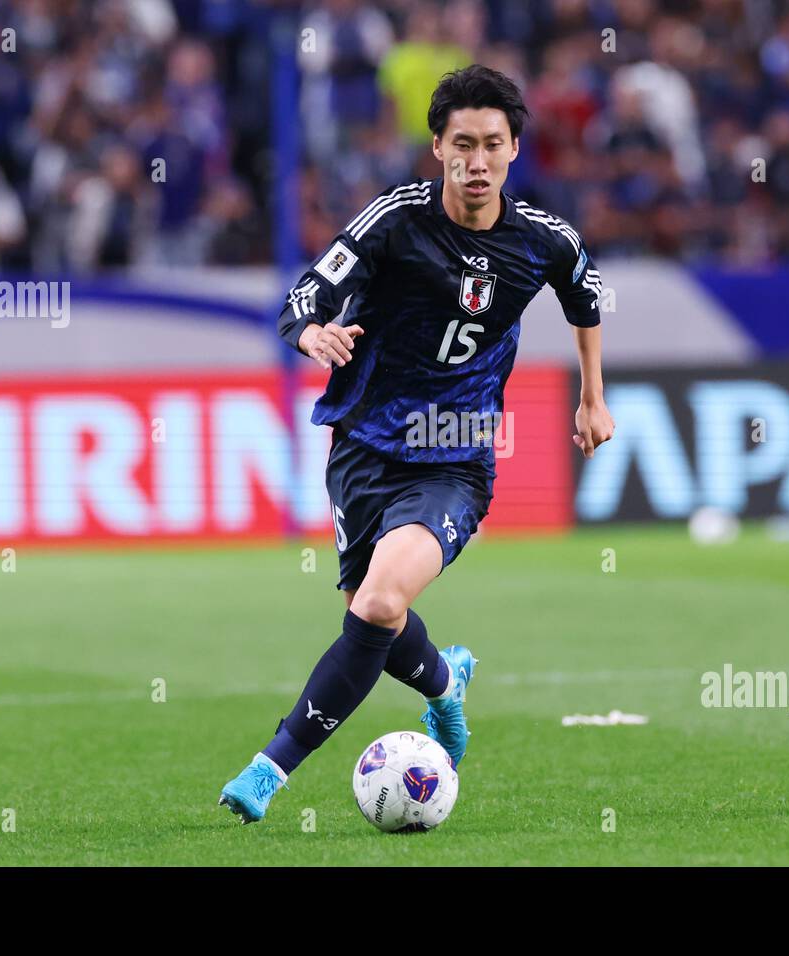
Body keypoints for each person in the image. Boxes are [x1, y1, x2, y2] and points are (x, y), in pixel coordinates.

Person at [219, 64, 614, 823]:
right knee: (373, 615)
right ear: (437, 147)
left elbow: (585, 293)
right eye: (461, 144)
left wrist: (593, 395)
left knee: (378, 600)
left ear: (512, 152)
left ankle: (270, 768)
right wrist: (310, 331)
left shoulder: (541, 240)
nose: (476, 161)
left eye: (492, 145)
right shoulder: (394, 221)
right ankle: (443, 682)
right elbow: (308, 290)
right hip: (364, 449)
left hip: (457, 456)